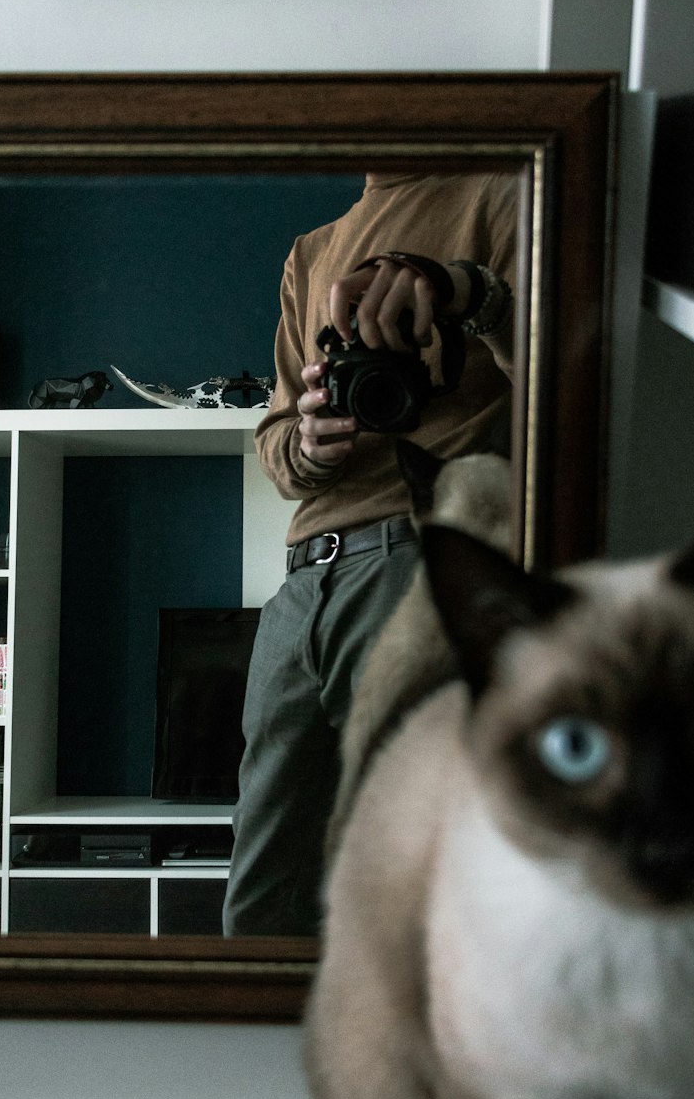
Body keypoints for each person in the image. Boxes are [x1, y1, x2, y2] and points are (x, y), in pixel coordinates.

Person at [222, 171, 519, 936]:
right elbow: (276, 440)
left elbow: (570, 373)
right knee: (259, 897)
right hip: (296, 587)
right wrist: (313, 442)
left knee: (414, 880)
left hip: (413, 555)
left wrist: (468, 294)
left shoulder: (499, 196)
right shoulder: (310, 253)